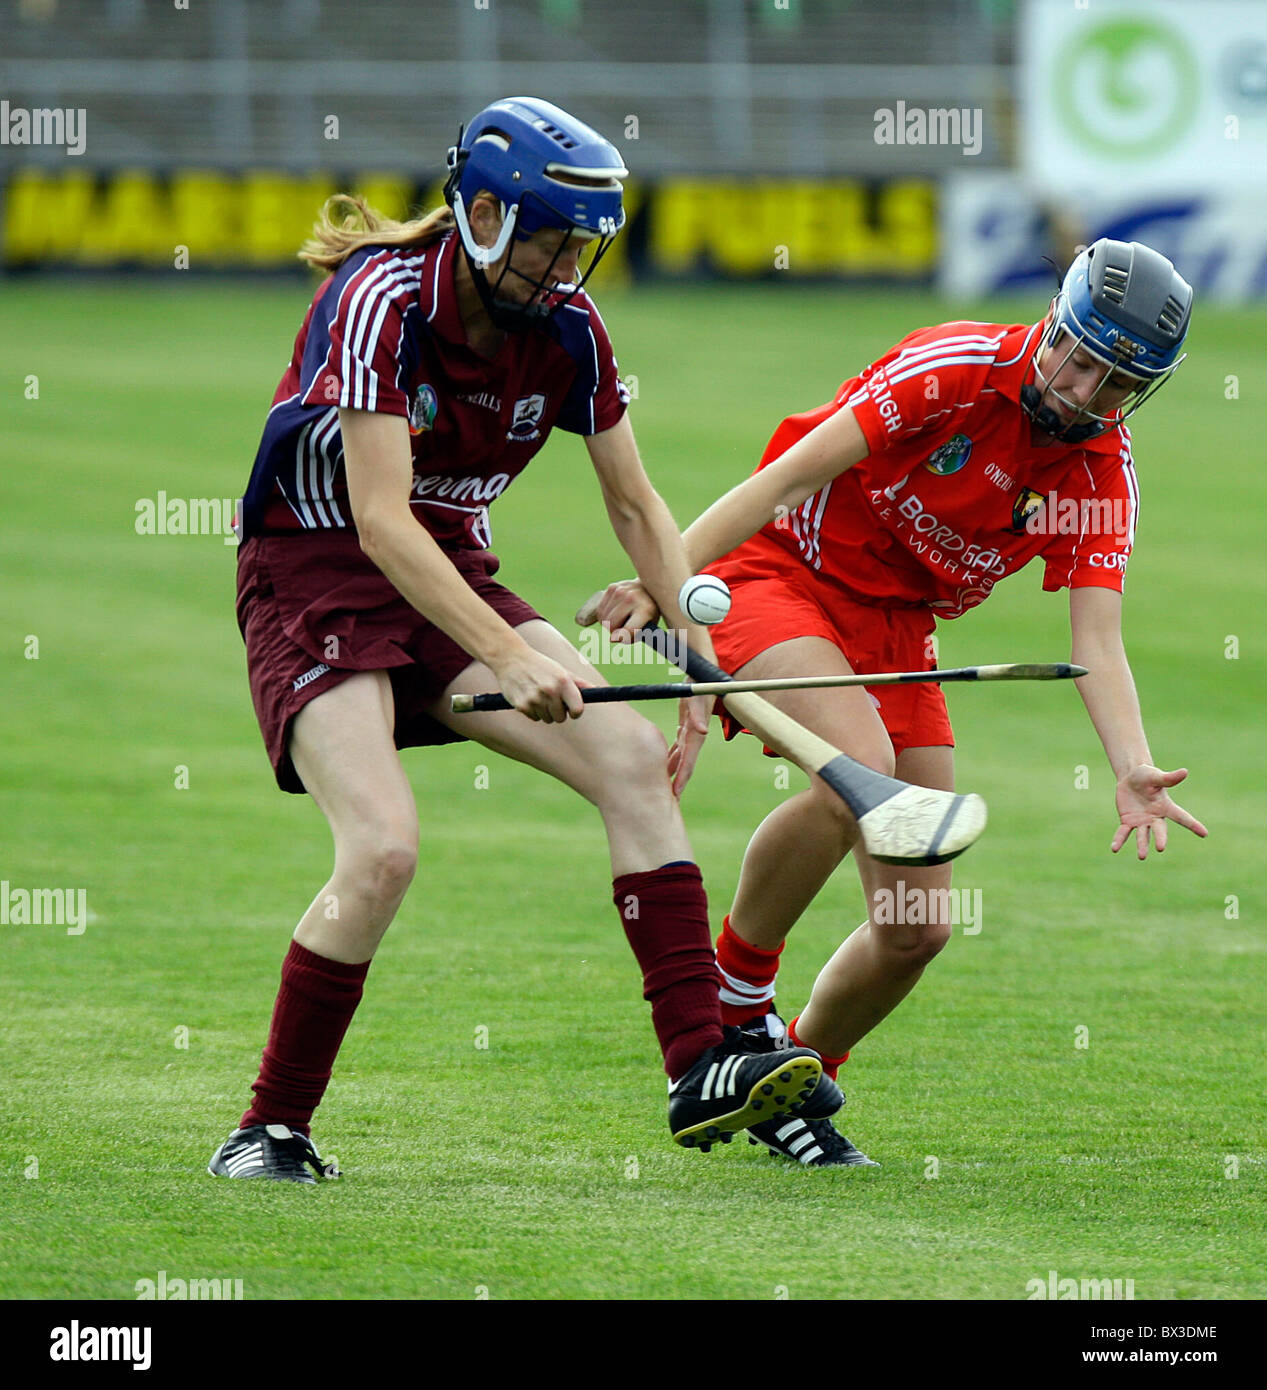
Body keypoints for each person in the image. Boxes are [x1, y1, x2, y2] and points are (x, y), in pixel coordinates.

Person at [209, 97, 836, 1183]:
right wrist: (502, 658)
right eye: (549, 237)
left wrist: (695, 661)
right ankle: (270, 1127)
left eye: (579, 245)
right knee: (383, 849)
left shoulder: (570, 332)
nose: (564, 266)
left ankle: (699, 1063)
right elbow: (379, 519)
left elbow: (638, 508)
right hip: (314, 574)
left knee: (634, 759)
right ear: (485, 214)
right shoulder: (381, 301)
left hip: (446, 566)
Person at [590, 238, 1209, 1168]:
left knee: (915, 931)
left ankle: (790, 1078)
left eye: (1116, 384)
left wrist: (1130, 769)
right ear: (1053, 323)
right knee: (860, 771)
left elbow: (1096, 643)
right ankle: (736, 998)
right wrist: (664, 583)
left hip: (899, 637)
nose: (1084, 393)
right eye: (1079, 359)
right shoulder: (955, 367)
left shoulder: (1096, 476)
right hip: (782, 578)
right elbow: (785, 477)